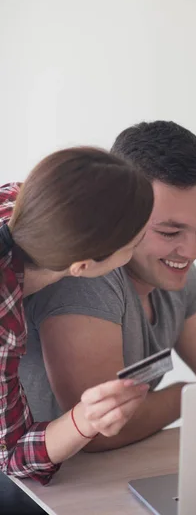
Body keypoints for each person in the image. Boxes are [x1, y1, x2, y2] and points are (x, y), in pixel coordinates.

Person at [20, 121, 196, 453]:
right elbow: (104, 428)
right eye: (169, 232)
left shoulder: (176, 273)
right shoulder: (87, 279)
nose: (191, 251)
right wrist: (185, 396)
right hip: (38, 486)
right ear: (122, 218)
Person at [0, 146, 154, 484]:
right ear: (82, 267)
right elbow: (10, 454)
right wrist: (85, 420)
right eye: (134, 243)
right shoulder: (4, 328)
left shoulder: (20, 203)